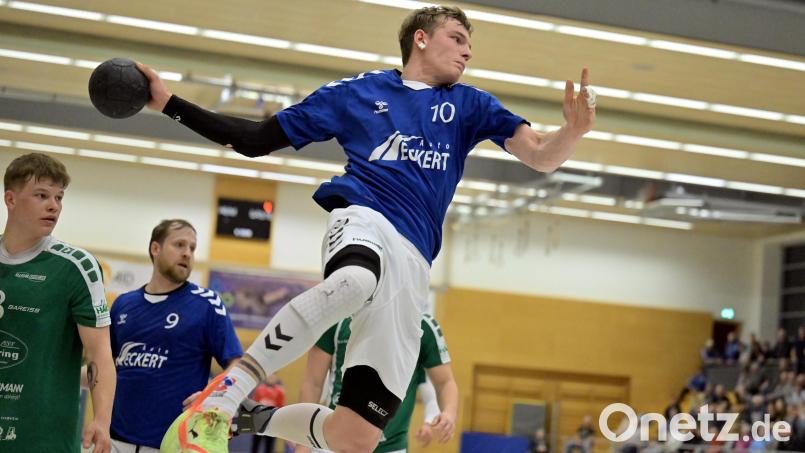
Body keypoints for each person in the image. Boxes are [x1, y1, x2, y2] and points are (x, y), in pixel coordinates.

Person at [141, 5, 595, 452]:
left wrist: (571, 133)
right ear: (421, 38)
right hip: (365, 217)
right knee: (355, 281)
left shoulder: (470, 105)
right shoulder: (357, 93)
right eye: (457, 39)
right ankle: (227, 393)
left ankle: (249, 418)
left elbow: (540, 155)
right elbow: (255, 139)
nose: (468, 52)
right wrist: (168, 104)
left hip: (414, 265)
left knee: (355, 437)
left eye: (469, 44)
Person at [0, 153, 115, 453]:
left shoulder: (77, 267)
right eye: (41, 195)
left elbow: (99, 353)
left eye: (59, 197)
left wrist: (102, 420)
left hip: (44, 440)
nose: (54, 205)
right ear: (10, 199)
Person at [107, 219, 243, 452]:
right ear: (155, 248)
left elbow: (237, 364)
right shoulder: (123, 304)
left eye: (192, 248)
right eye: (179, 245)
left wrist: (214, 395)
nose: (187, 253)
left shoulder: (206, 304)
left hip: (175, 443)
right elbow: (104, 368)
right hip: (115, 440)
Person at [291, 313, 458, 453]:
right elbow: (312, 383)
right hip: (334, 442)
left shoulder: (423, 325)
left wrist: (449, 413)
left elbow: (445, 382)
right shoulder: (337, 318)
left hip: (391, 446)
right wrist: (302, 443)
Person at [251, 374, 286, 453]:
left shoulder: (279, 391)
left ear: (276, 379)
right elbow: (254, 404)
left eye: (273, 377)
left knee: (269, 445)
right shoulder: (260, 389)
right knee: (255, 444)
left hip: (272, 421)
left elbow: (281, 406)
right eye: (270, 377)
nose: (271, 379)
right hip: (259, 421)